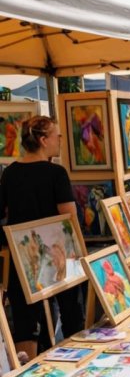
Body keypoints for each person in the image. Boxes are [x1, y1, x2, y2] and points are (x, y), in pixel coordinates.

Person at [0, 116, 86, 359]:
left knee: (26, 325)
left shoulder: (10, 174)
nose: (60, 140)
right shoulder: (56, 173)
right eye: (56, 136)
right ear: (42, 140)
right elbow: (69, 217)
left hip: (24, 259)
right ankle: (73, 371)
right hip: (58, 256)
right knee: (71, 317)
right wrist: (81, 255)